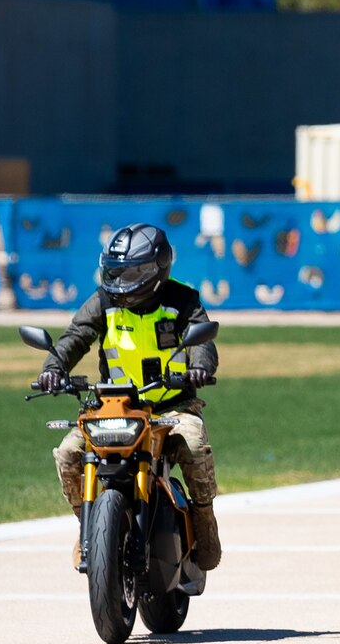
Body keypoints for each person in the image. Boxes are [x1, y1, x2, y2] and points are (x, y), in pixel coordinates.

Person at [38, 224, 222, 572]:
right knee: (67, 453)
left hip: (171, 407)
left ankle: (204, 522)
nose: (122, 281)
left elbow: (202, 342)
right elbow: (76, 335)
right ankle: (89, 524)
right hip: (113, 406)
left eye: (132, 272)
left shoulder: (182, 301)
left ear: (159, 267)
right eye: (116, 271)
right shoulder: (103, 301)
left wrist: (200, 368)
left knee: (195, 445)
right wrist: (53, 367)